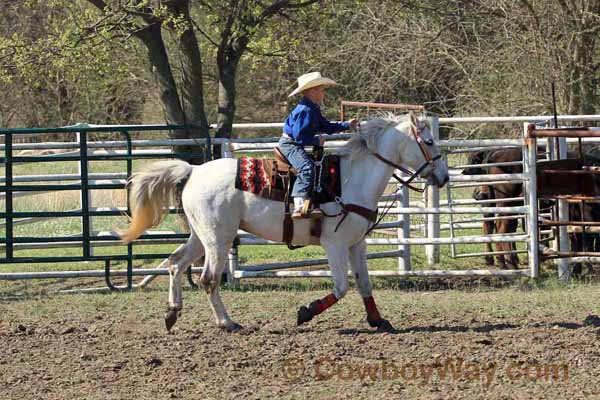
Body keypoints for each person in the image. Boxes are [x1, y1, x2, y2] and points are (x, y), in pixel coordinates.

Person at [279, 72, 359, 218]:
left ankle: (313, 200)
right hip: (290, 145)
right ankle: (299, 205)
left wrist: (347, 124)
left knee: (318, 165)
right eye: (322, 90)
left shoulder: (312, 108)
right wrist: (316, 141)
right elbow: (298, 136)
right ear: (312, 91)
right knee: (307, 167)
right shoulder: (305, 110)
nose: (324, 93)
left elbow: (325, 126)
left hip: (296, 143)